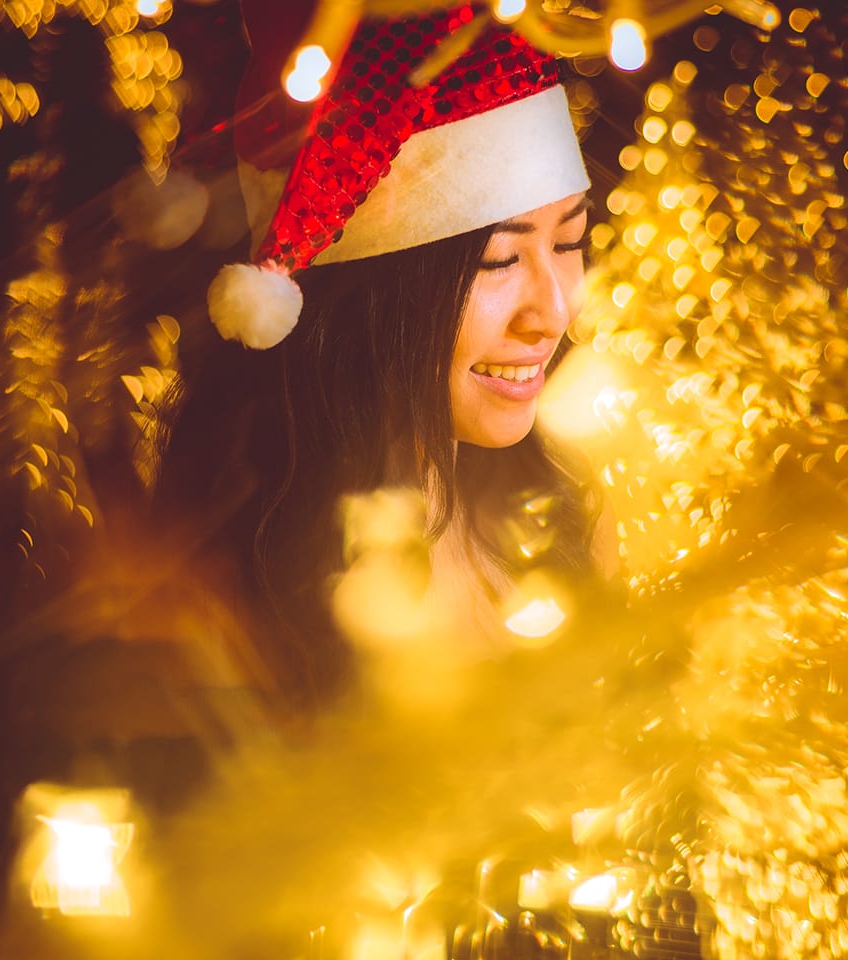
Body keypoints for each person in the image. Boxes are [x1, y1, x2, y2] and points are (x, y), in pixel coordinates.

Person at [154, 2, 619, 712]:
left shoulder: (565, 520)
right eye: (499, 260)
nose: (552, 313)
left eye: (568, 243)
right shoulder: (225, 602)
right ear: (374, 288)